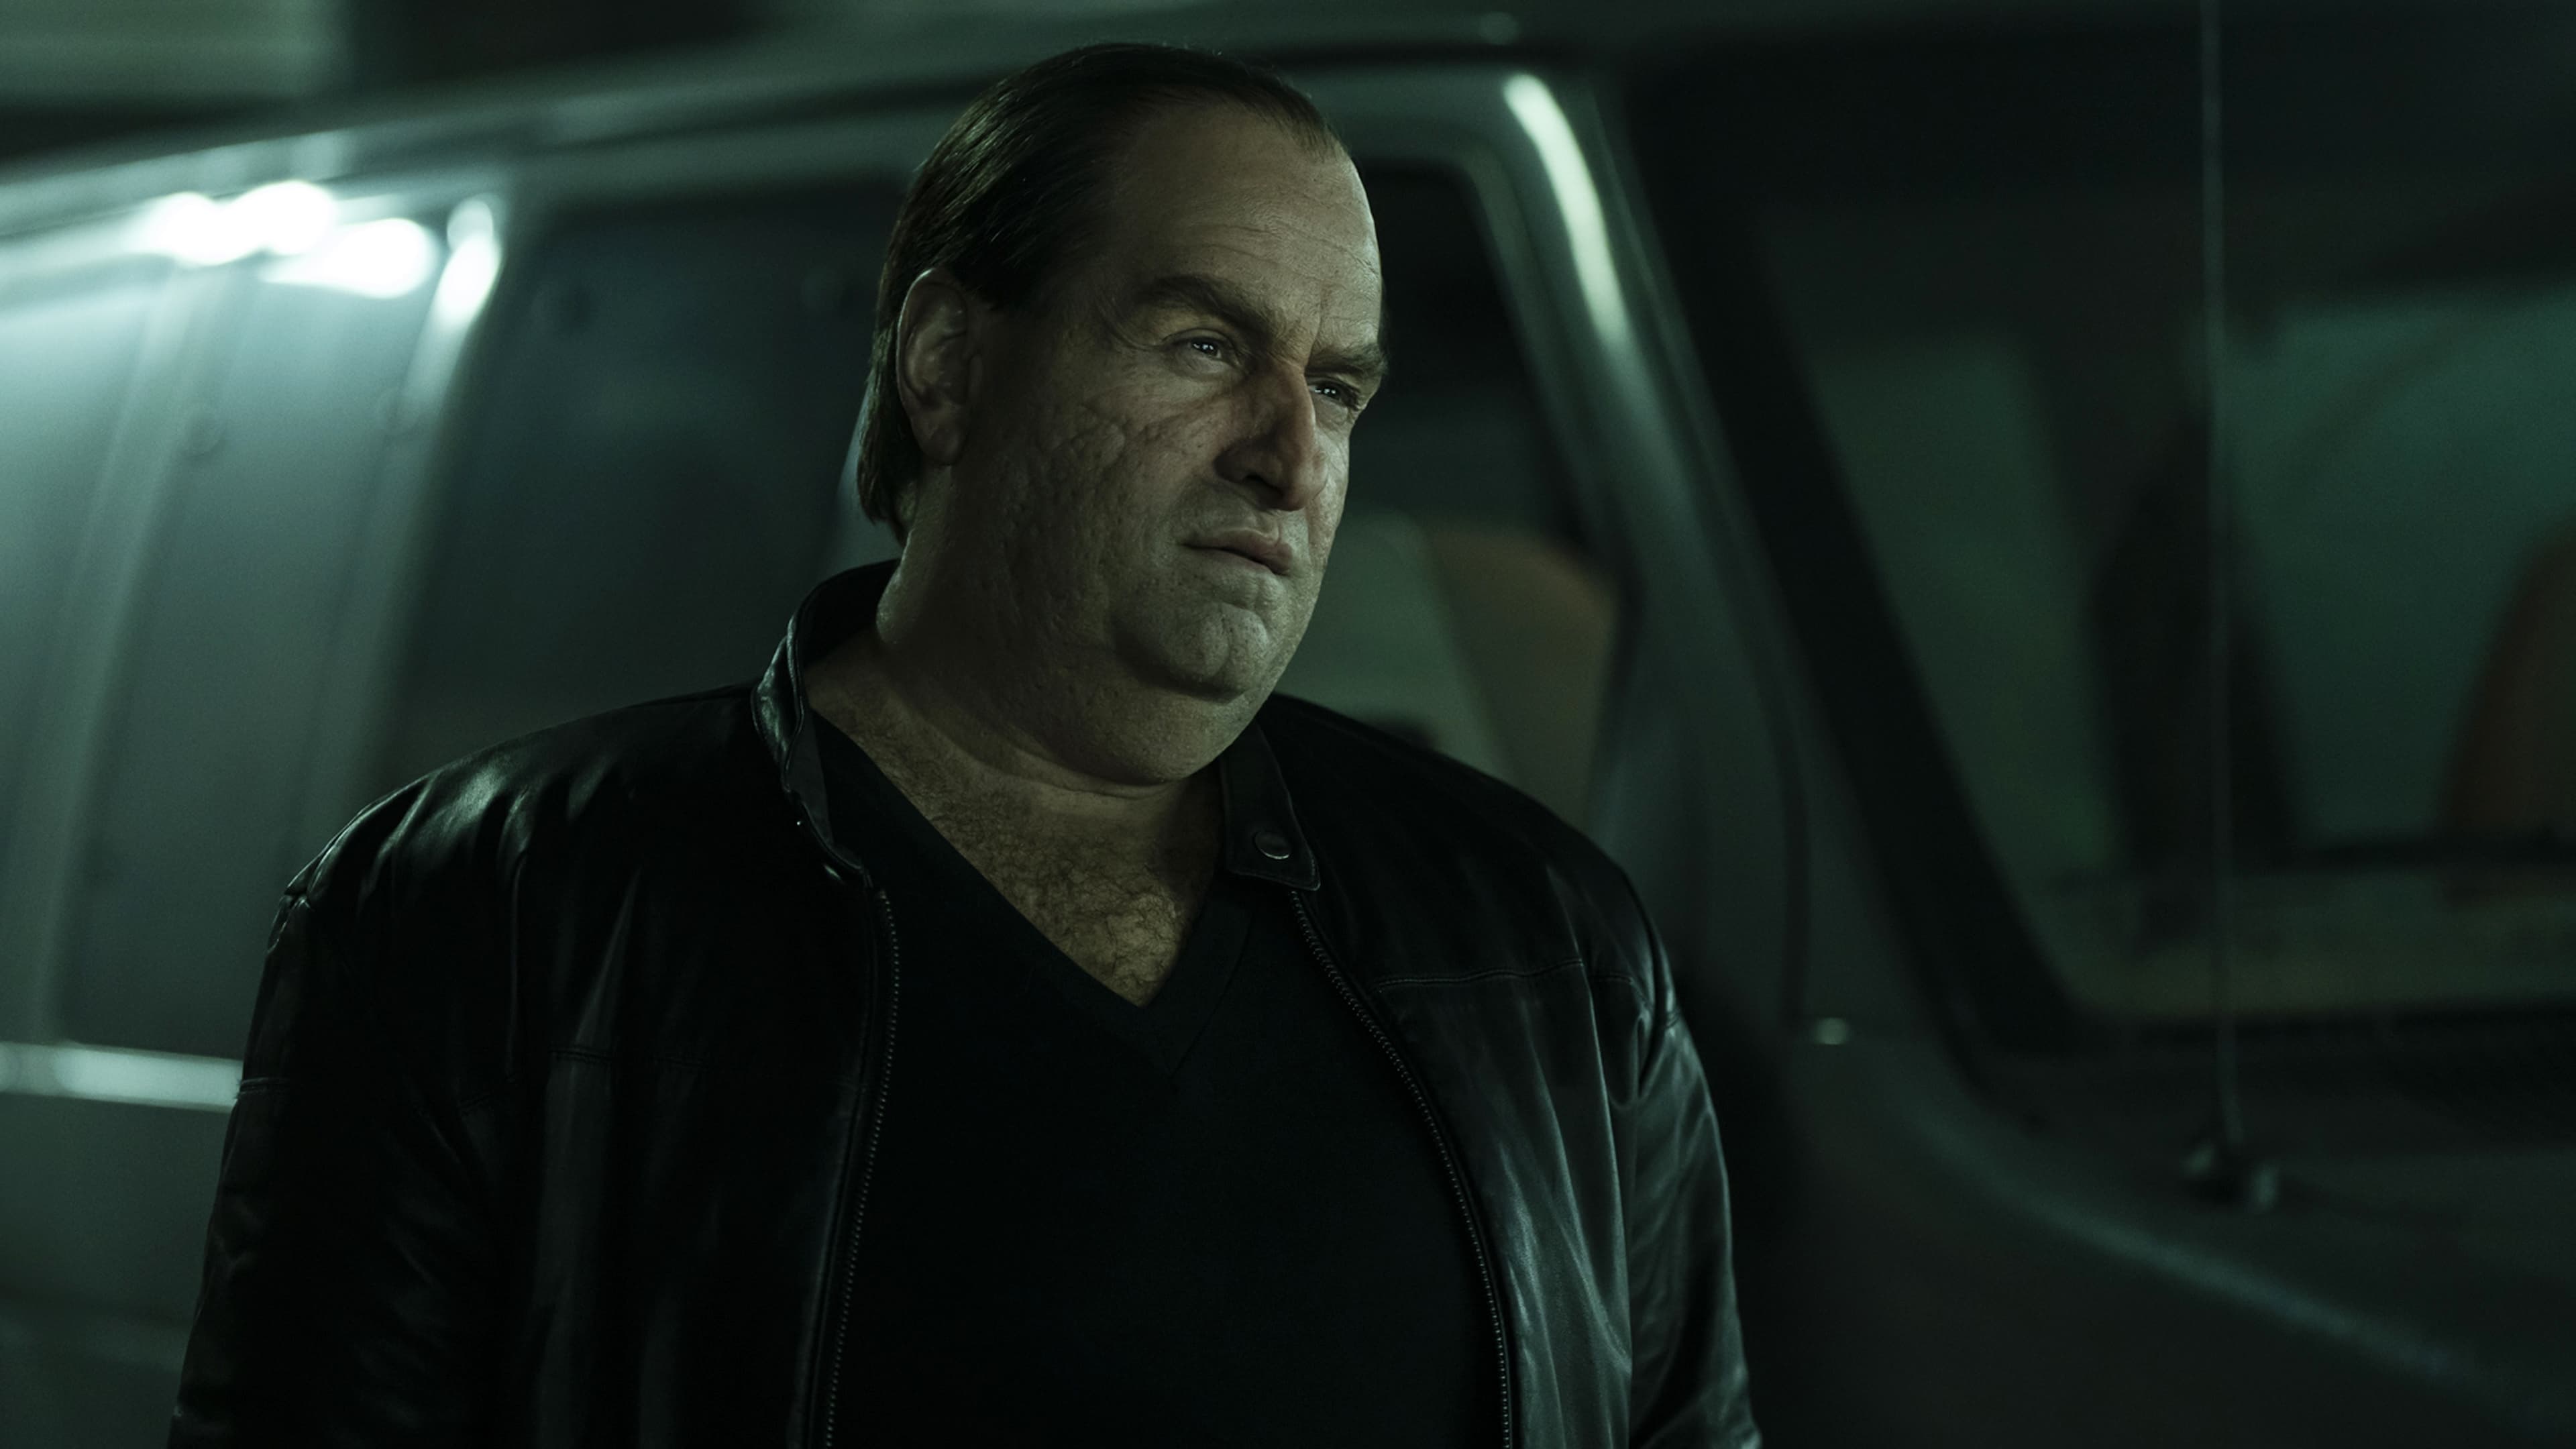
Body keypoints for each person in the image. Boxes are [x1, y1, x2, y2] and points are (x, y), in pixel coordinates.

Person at [168, 42, 1758, 1448]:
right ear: (949, 364)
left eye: (1336, 387)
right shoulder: (498, 921)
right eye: (1205, 345)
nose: (1290, 456)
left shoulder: (1544, 951)